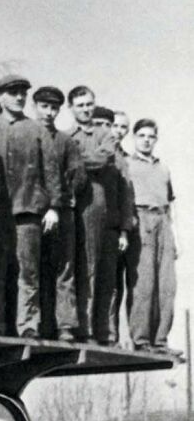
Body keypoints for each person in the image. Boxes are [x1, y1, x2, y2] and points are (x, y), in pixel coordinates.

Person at [0, 75, 61, 338]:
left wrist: (53, 206)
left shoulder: (37, 130)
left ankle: (28, 325)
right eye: (13, 92)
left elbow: (51, 170)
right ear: (0, 95)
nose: (19, 97)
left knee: (27, 272)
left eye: (22, 93)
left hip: (29, 209)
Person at [69, 86, 131, 343]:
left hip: (98, 206)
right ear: (71, 107)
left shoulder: (107, 135)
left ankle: (98, 330)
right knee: (78, 268)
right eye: (81, 105)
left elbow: (102, 159)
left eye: (89, 104)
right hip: (74, 207)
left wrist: (75, 159)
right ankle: (80, 327)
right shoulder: (67, 136)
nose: (86, 109)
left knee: (100, 272)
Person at [32, 86, 87, 341]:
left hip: (62, 213)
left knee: (64, 268)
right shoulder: (26, 133)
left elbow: (78, 175)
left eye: (54, 107)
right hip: (31, 212)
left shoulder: (66, 141)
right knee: (33, 268)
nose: (49, 112)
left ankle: (65, 325)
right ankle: (40, 325)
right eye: (44, 106)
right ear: (35, 106)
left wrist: (61, 198)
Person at [128, 119, 179, 354]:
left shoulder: (163, 168)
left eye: (151, 136)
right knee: (144, 283)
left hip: (163, 221)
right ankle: (141, 339)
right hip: (140, 219)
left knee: (167, 286)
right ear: (134, 138)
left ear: (156, 139)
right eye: (142, 135)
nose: (146, 140)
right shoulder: (128, 165)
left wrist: (176, 237)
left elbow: (171, 204)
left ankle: (160, 340)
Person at [111, 109, 136, 342]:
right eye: (116, 126)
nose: (118, 132)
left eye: (122, 128)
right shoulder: (103, 153)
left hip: (119, 228)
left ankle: (114, 333)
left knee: (117, 282)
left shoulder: (127, 159)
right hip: (100, 224)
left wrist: (124, 230)